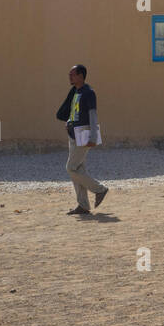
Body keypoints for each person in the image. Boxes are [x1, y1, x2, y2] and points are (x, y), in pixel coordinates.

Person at [55, 64, 107, 216]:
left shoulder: (89, 93)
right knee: (79, 170)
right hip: (73, 134)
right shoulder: (75, 92)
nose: (69, 77)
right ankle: (83, 205)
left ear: (80, 76)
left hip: (84, 135)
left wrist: (93, 136)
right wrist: (68, 122)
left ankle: (100, 189)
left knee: (70, 168)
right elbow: (74, 111)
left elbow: (92, 115)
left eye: (72, 74)